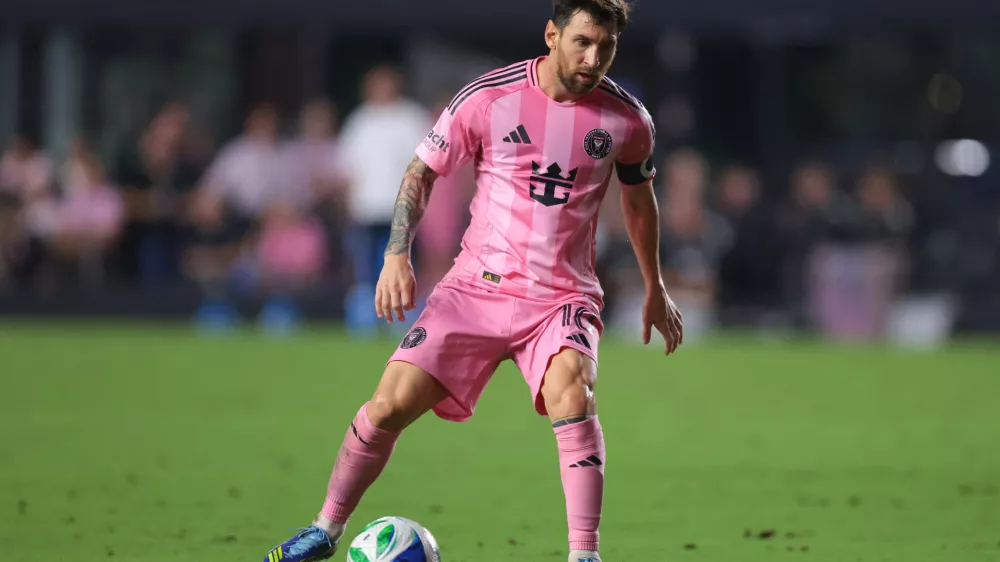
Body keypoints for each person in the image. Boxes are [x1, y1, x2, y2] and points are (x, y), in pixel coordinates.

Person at [263, 1, 684, 561]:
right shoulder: (488, 98)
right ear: (552, 34)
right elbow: (422, 171)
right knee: (388, 406)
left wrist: (654, 285)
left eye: (606, 47)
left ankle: (585, 555)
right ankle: (324, 529)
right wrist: (396, 254)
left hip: (562, 297)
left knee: (573, 393)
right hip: (475, 290)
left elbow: (638, 201)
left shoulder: (628, 120)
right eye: (583, 42)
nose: (593, 58)